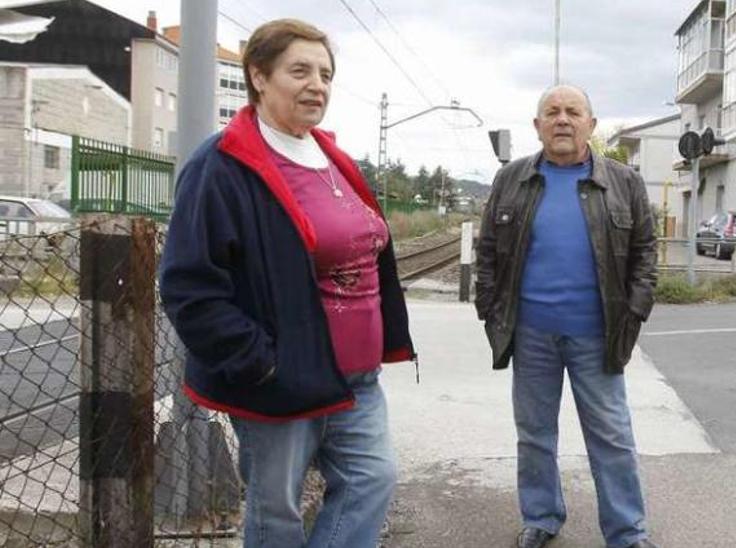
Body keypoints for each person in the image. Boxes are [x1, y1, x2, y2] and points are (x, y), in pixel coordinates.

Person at [159, 19, 414, 548]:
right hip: (278, 379)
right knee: (276, 513)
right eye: (299, 70)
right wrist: (260, 360)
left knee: (372, 479)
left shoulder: (331, 156)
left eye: (325, 73)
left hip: (354, 379)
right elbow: (189, 286)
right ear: (258, 76)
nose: (316, 84)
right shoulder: (222, 165)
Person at [474, 85, 658, 548]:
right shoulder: (511, 179)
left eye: (572, 112)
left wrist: (634, 311)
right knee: (534, 434)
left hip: (598, 334)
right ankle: (541, 517)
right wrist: (488, 309)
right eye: (551, 112)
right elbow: (489, 253)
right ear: (537, 126)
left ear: (591, 125)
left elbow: (645, 254)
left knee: (612, 438)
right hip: (531, 333)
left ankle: (627, 532)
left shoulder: (624, 182)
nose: (562, 119)